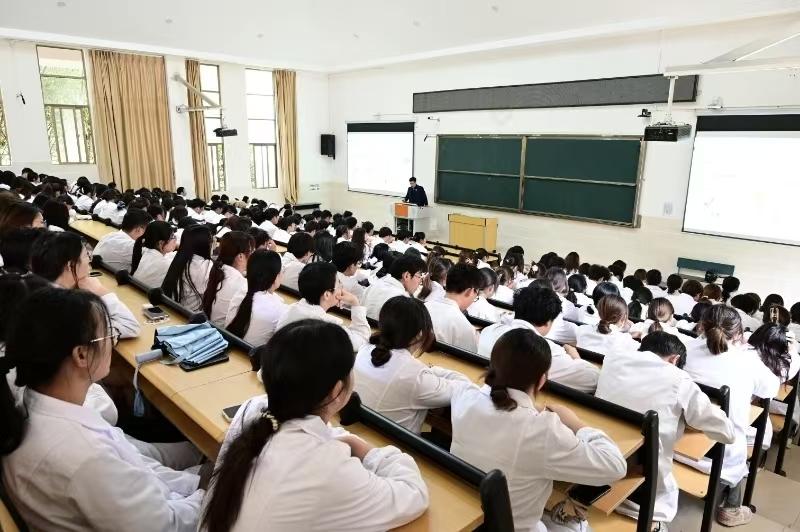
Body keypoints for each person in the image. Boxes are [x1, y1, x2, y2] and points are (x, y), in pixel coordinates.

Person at [0, 288, 205, 531]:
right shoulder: (84, 454)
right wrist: (209, 494)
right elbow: (166, 526)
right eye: (107, 335)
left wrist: (194, 481)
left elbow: (137, 470)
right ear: (81, 355)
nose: (112, 342)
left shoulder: (33, 404)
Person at [200, 320, 428, 531]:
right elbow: (413, 493)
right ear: (337, 390)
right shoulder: (326, 468)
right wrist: (365, 449)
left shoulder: (253, 408)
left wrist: (344, 439)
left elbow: (318, 433)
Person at [450, 328, 627, 531]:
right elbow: (616, 466)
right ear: (542, 380)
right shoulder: (541, 429)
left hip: (470, 517)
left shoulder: (464, 396)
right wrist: (576, 423)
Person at [596, 332, 735, 526]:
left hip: (597, 453)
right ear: (674, 360)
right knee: (665, 493)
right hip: (640, 478)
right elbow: (725, 432)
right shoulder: (679, 379)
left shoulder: (613, 358)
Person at [682, 305, 779, 527]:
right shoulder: (747, 361)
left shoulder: (685, 348)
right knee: (743, 435)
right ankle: (731, 509)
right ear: (738, 333)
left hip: (679, 441)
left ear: (701, 326)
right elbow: (771, 390)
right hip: (720, 454)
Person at [354, 296, 472, 434]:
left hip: (362, 432)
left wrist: (428, 371)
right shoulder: (415, 376)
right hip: (395, 444)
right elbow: (463, 388)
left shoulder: (365, 350)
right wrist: (433, 370)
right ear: (419, 334)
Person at [480, 285, 599, 393]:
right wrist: (576, 358)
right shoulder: (547, 351)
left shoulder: (489, 330)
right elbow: (593, 380)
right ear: (548, 322)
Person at [30, 232, 140, 339]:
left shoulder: (31, 288)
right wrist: (102, 292)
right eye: (86, 255)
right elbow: (130, 326)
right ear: (70, 265)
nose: (89, 262)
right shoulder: (72, 309)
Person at [276, 262, 370, 351]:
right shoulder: (329, 328)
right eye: (339, 283)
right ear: (327, 295)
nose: (342, 287)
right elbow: (362, 339)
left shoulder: (290, 310)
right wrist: (355, 303)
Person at [225, 250, 288, 346]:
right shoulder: (280, 309)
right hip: (252, 354)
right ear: (275, 278)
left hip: (231, 348)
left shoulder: (241, 293)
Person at [424, 263, 481, 352]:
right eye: (476, 294)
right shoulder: (465, 328)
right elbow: (468, 359)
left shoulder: (424, 307)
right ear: (469, 291)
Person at [202, 232, 254, 327]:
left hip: (210, 326)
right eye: (250, 252)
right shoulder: (242, 284)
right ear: (240, 256)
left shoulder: (218, 270)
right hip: (223, 332)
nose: (252, 255)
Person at [162, 225, 214, 312]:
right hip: (191, 314)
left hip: (173, 308)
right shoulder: (207, 266)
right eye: (212, 241)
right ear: (205, 244)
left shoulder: (174, 257)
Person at [362, 255, 426, 320]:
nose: (420, 282)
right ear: (407, 276)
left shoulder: (373, 285)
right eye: (419, 276)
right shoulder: (403, 301)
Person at [131, 221, 178, 288]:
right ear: (160, 243)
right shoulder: (165, 265)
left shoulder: (143, 251)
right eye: (172, 237)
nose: (175, 239)